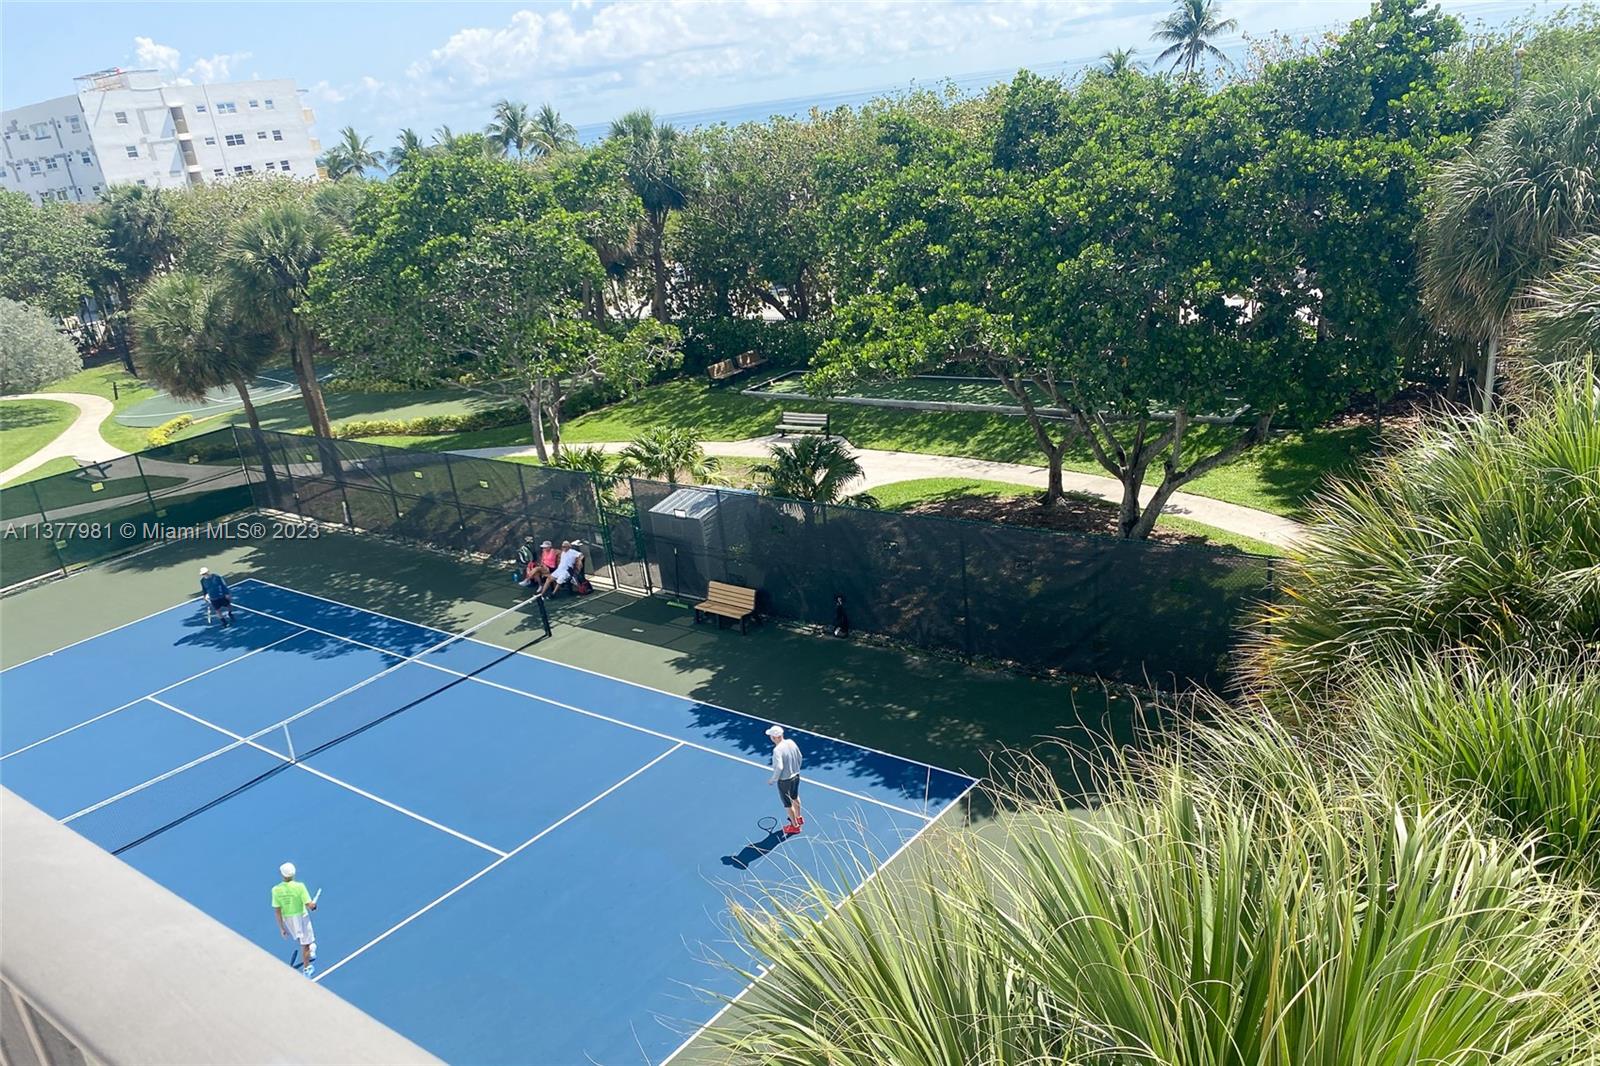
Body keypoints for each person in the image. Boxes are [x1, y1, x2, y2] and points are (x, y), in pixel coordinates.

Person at [272, 862, 318, 976]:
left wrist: (281, 928)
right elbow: (309, 905)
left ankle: (310, 949)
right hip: (301, 917)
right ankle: (307, 968)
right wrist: (313, 906)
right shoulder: (300, 887)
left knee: (301, 939)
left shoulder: (275, 890)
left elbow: (277, 911)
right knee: (305, 943)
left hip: (288, 919)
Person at [766, 725, 804, 835]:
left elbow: (779, 767)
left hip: (784, 781)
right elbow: (800, 757)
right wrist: (796, 769)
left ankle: (795, 826)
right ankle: (799, 818)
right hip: (796, 776)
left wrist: (773, 779)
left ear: (774, 737)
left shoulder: (777, 750)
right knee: (795, 797)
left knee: (788, 804)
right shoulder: (791, 742)